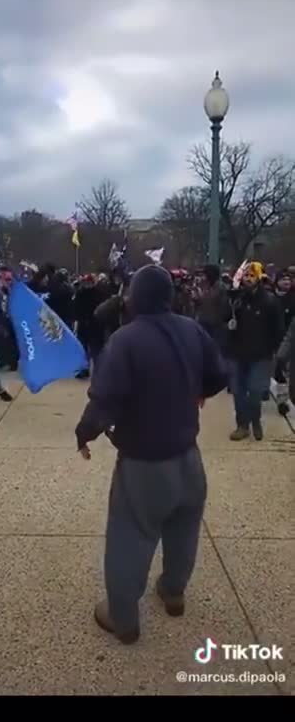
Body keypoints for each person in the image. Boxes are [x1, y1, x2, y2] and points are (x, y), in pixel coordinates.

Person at [75, 265, 227, 645]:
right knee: (183, 528)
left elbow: (104, 401)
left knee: (131, 535)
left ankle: (123, 618)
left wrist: (84, 433)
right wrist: (199, 391)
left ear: (134, 297)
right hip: (189, 459)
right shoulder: (192, 329)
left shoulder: (126, 340)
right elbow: (219, 375)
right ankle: (173, 592)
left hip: (143, 464)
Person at [226, 262, 283, 442]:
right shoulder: (237, 299)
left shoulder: (269, 301)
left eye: (252, 276)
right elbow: (225, 320)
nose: (248, 279)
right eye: (246, 276)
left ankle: (255, 420)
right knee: (238, 391)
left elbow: (278, 329)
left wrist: (272, 350)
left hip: (260, 355)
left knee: (255, 391)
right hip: (238, 353)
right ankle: (242, 425)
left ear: (258, 277)